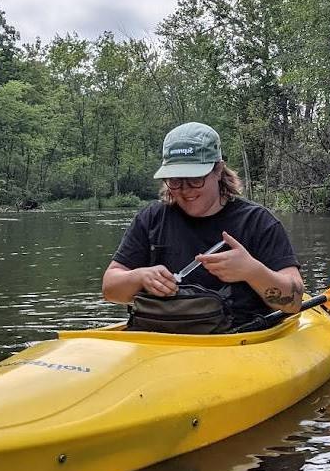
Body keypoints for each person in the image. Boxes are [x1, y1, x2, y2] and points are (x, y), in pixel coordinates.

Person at [102, 122, 304, 328]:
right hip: (158, 341)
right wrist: (139, 277)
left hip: (237, 343)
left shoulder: (258, 222)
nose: (185, 190)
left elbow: (295, 301)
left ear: (218, 170)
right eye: (175, 180)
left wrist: (252, 271)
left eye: (195, 179)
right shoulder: (151, 219)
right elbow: (110, 289)